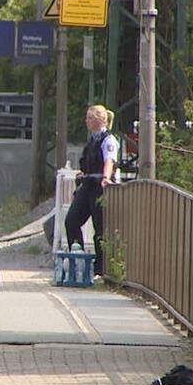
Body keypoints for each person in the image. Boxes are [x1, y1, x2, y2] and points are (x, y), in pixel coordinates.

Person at [64, 104, 119, 276]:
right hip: (87, 184)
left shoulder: (108, 140)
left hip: (99, 187)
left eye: (90, 118)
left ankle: (100, 268)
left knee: (100, 228)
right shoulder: (92, 140)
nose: (86, 121)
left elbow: (109, 160)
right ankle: (77, 254)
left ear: (101, 119)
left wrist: (105, 178)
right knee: (71, 220)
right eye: (87, 117)